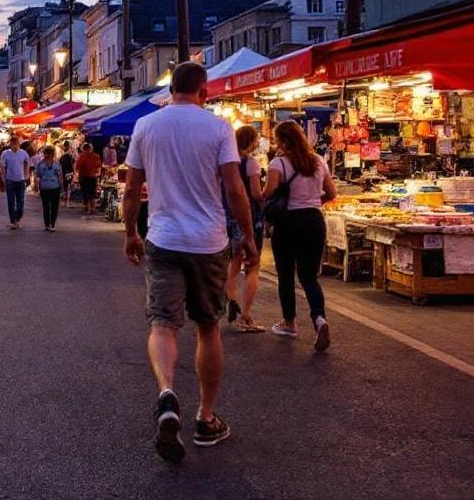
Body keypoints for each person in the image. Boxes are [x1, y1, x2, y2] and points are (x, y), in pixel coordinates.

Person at [122, 62, 256, 462]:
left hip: (163, 238)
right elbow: (234, 188)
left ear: (171, 89)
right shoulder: (218, 128)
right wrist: (248, 235)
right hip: (207, 241)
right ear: (204, 90)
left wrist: (130, 233)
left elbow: (132, 189)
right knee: (208, 327)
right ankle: (205, 417)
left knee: (162, 324)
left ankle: (167, 394)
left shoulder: (146, 126)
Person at [263, 121, 337, 351]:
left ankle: (289, 323)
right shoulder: (318, 161)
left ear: (283, 140)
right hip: (314, 221)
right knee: (309, 276)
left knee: (286, 275)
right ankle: (319, 319)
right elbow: (332, 192)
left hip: (288, 223)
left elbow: (267, 194)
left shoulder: (278, 164)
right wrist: (313, 202)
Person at [225, 126, 266, 333]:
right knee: (252, 266)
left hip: (227, 218)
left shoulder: (227, 163)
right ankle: (246, 316)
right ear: (251, 142)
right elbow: (256, 194)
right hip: (249, 218)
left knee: (233, 262)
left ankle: (230, 298)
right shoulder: (251, 164)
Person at [0, 137, 30, 229]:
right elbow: (2, 166)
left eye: (17, 144)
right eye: (14, 144)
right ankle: (12, 221)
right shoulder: (5, 154)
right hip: (10, 180)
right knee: (11, 201)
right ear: (10, 144)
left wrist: (27, 174)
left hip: (21, 179)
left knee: (21, 201)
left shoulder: (23, 153)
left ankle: (18, 219)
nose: (16, 146)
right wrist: (4, 177)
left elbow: (27, 163)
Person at [35, 142, 65, 231]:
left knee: (52, 207)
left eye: (48, 153)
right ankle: (48, 225)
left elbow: (60, 177)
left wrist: (62, 188)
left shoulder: (55, 164)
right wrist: (37, 187)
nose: (47, 155)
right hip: (47, 188)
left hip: (53, 187)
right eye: (46, 153)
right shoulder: (42, 164)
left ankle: (51, 224)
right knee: (48, 207)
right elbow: (38, 176)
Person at [76, 143, 103, 212]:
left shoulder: (81, 156)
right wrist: (97, 173)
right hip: (92, 177)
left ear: (83, 149)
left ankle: (87, 206)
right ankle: (92, 207)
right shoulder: (95, 156)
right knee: (92, 192)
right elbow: (99, 166)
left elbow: (77, 167)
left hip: (83, 177)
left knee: (85, 192)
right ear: (90, 148)